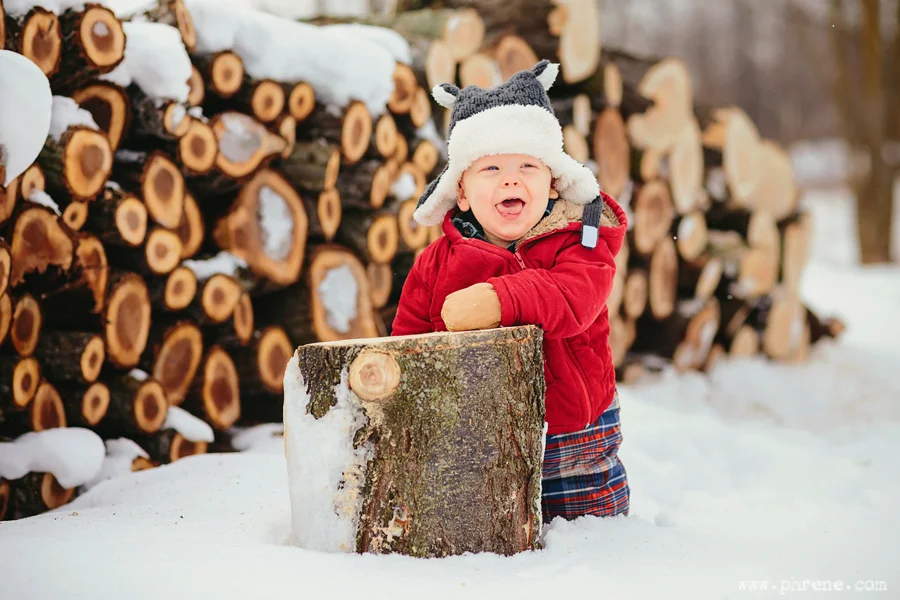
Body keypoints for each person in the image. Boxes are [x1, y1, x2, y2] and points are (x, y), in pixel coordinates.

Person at [390, 60, 630, 522]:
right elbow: (410, 344)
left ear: (554, 181)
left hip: (575, 433)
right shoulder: (435, 264)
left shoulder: (580, 242)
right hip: (478, 440)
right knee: (493, 542)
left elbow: (573, 299)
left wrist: (499, 299)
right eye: (492, 168)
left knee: (594, 543)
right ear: (460, 192)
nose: (511, 179)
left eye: (527, 166)